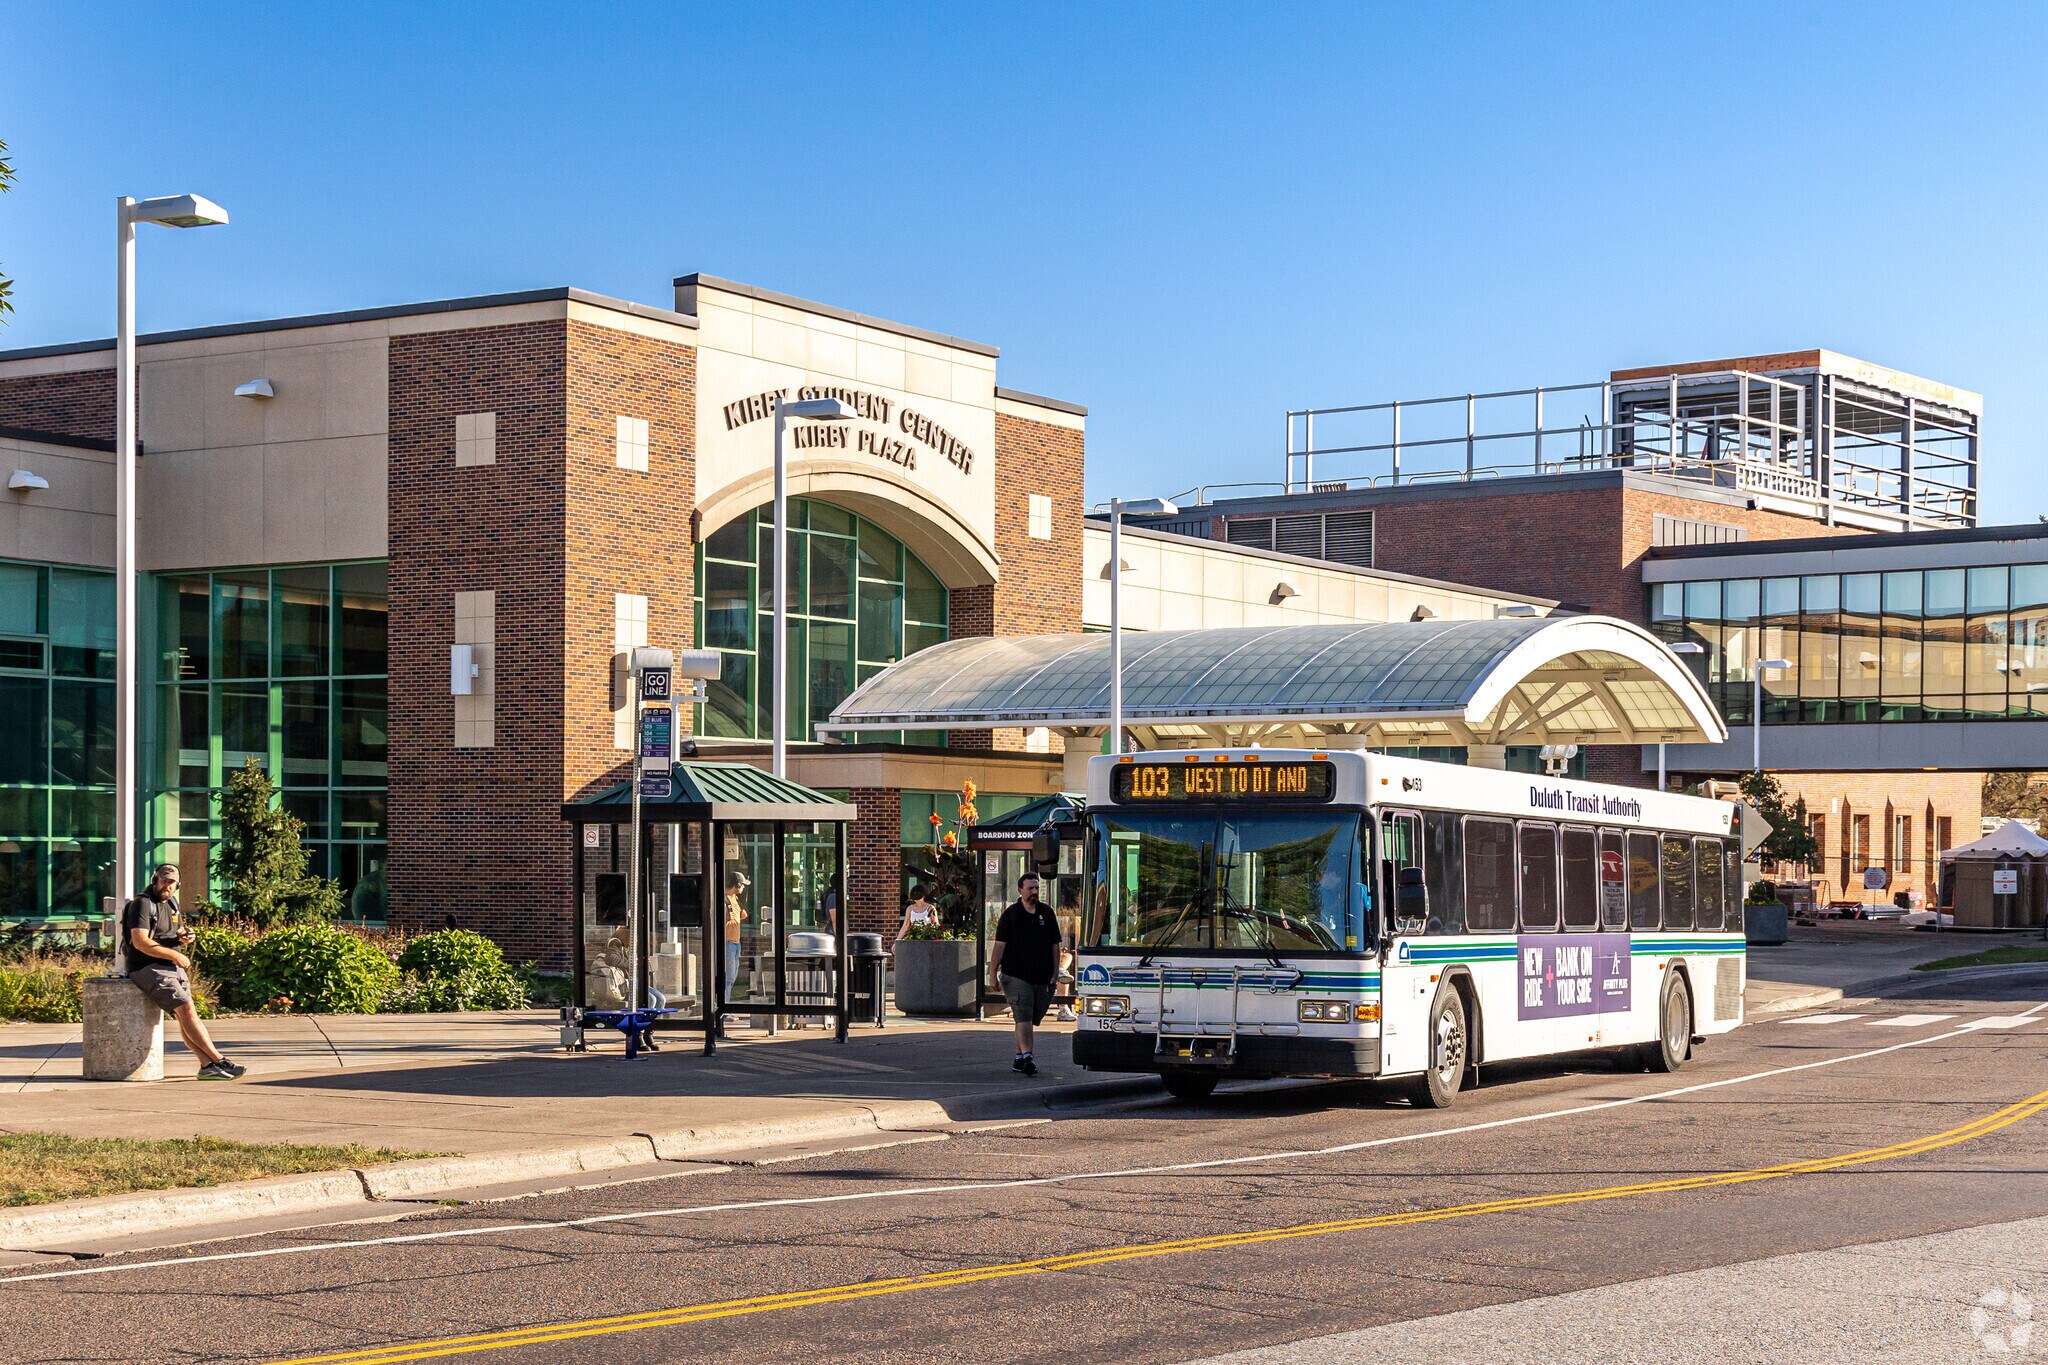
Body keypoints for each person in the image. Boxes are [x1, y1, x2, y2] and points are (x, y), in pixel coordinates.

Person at [121, 865, 244, 1080]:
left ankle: (206, 1066)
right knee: (186, 1008)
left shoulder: (172, 903)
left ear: (178, 885)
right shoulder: (143, 904)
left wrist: (184, 937)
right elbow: (140, 942)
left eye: (171, 882)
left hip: (170, 966)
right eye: (162, 880)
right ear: (154, 879)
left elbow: (174, 930)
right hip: (147, 967)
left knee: (185, 1015)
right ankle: (219, 1060)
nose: (166, 886)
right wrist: (175, 955)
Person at [989, 872, 1063, 1076]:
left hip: (1041, 976)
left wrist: (1055, 973)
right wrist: (992, 973)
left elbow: (1054, 945)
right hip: (1015, 976)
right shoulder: (1011, 915)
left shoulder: (1047, 913)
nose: (1034, 892)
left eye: (1037, 888)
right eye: (1030, 888)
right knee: (1023, 1016)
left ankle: (1018, 1057)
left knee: (1030, 1017)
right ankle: (1028, 1057)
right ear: (1020, 890)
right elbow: (999, 946)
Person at [721, 872, 749, 1006]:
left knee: (732, 977)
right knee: (728, 978)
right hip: (728, 942)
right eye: (742, 884)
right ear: (737, 884)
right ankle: (724, 1006)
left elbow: (733, 919)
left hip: (736, 942)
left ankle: (726, 1004)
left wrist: (740, 917)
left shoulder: (734, 899)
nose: (743, 887)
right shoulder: (724, 899)